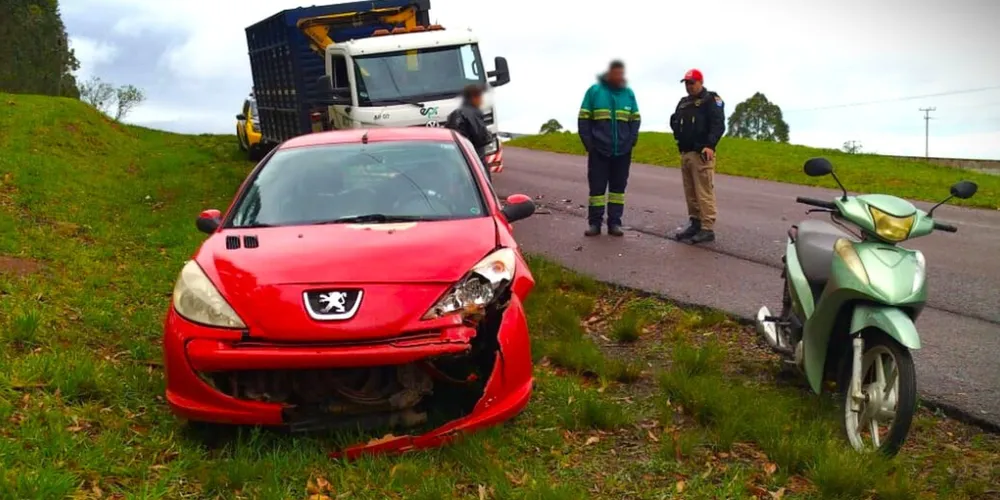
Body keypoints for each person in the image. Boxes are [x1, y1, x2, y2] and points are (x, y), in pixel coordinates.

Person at [578, 60, 641, 237]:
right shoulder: (594, 92)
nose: (619, 77)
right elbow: (583, 119)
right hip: (599, 151)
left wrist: (631, 141)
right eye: (616, 73)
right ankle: (595, 224)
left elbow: (635, 119)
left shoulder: (628, 94)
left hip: (622, 152)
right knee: (597, 190)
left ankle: (615, 223)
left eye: (621, 74)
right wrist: (589, 145)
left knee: (617, 190)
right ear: (609, 74)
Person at [669, 69, 725, 244]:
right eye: (686, 83)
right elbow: (675, 121)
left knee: (703, 191)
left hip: (701, 154)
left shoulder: (711, 100)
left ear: (701, 82)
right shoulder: (684, 102)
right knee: (690, 191)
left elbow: (718, 125)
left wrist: (710, 145)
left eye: (692, 82)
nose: (689, 86)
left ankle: (707, 228)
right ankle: (695, 223)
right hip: (686, 152)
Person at [445, 84, 494, 182]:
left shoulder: (455, 113)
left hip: (458, 157)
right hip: (474, 156)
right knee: (481, 183)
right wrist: (489, 136)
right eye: (480, 97)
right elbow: (481, 137)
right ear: (473, 97)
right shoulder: (472, 113)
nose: (482, 100)